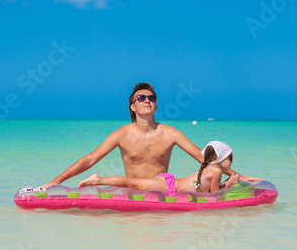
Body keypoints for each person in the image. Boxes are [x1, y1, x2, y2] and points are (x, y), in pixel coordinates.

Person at [39, 82, 259, 188]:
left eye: (151, 98)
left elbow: (205, 159)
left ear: (155, 104)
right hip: (131, 192)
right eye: (141, 98)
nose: (147, 100)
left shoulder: (170, 133)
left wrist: (240, 175)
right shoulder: (121, 134)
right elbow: (90, 159)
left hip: (160, 192)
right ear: (132, 106)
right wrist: (55, 182)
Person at [78, 141, 241, 193]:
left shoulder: (209, 169)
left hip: (168, 182)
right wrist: (230, 183)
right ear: (219, 158)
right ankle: (98, 180)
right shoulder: (217, 170)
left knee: (135, 184)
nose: (231, 162)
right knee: (133, 183)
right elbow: (214, 196)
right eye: (230, 157)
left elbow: (211, 191)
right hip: (169, 186)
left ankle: (99, 180)